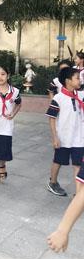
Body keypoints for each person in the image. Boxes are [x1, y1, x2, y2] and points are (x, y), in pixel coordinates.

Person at [46, 67, 84, 197]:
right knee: (58, 161)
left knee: (78, 164)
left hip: (79, 138)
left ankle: (78, 193)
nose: (80, 80)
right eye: (77, 78)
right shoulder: (58, 98)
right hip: (63, 138)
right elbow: (52, 118)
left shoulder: (80, 95)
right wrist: (55, 137)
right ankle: (53, 182)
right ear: (68, 81)